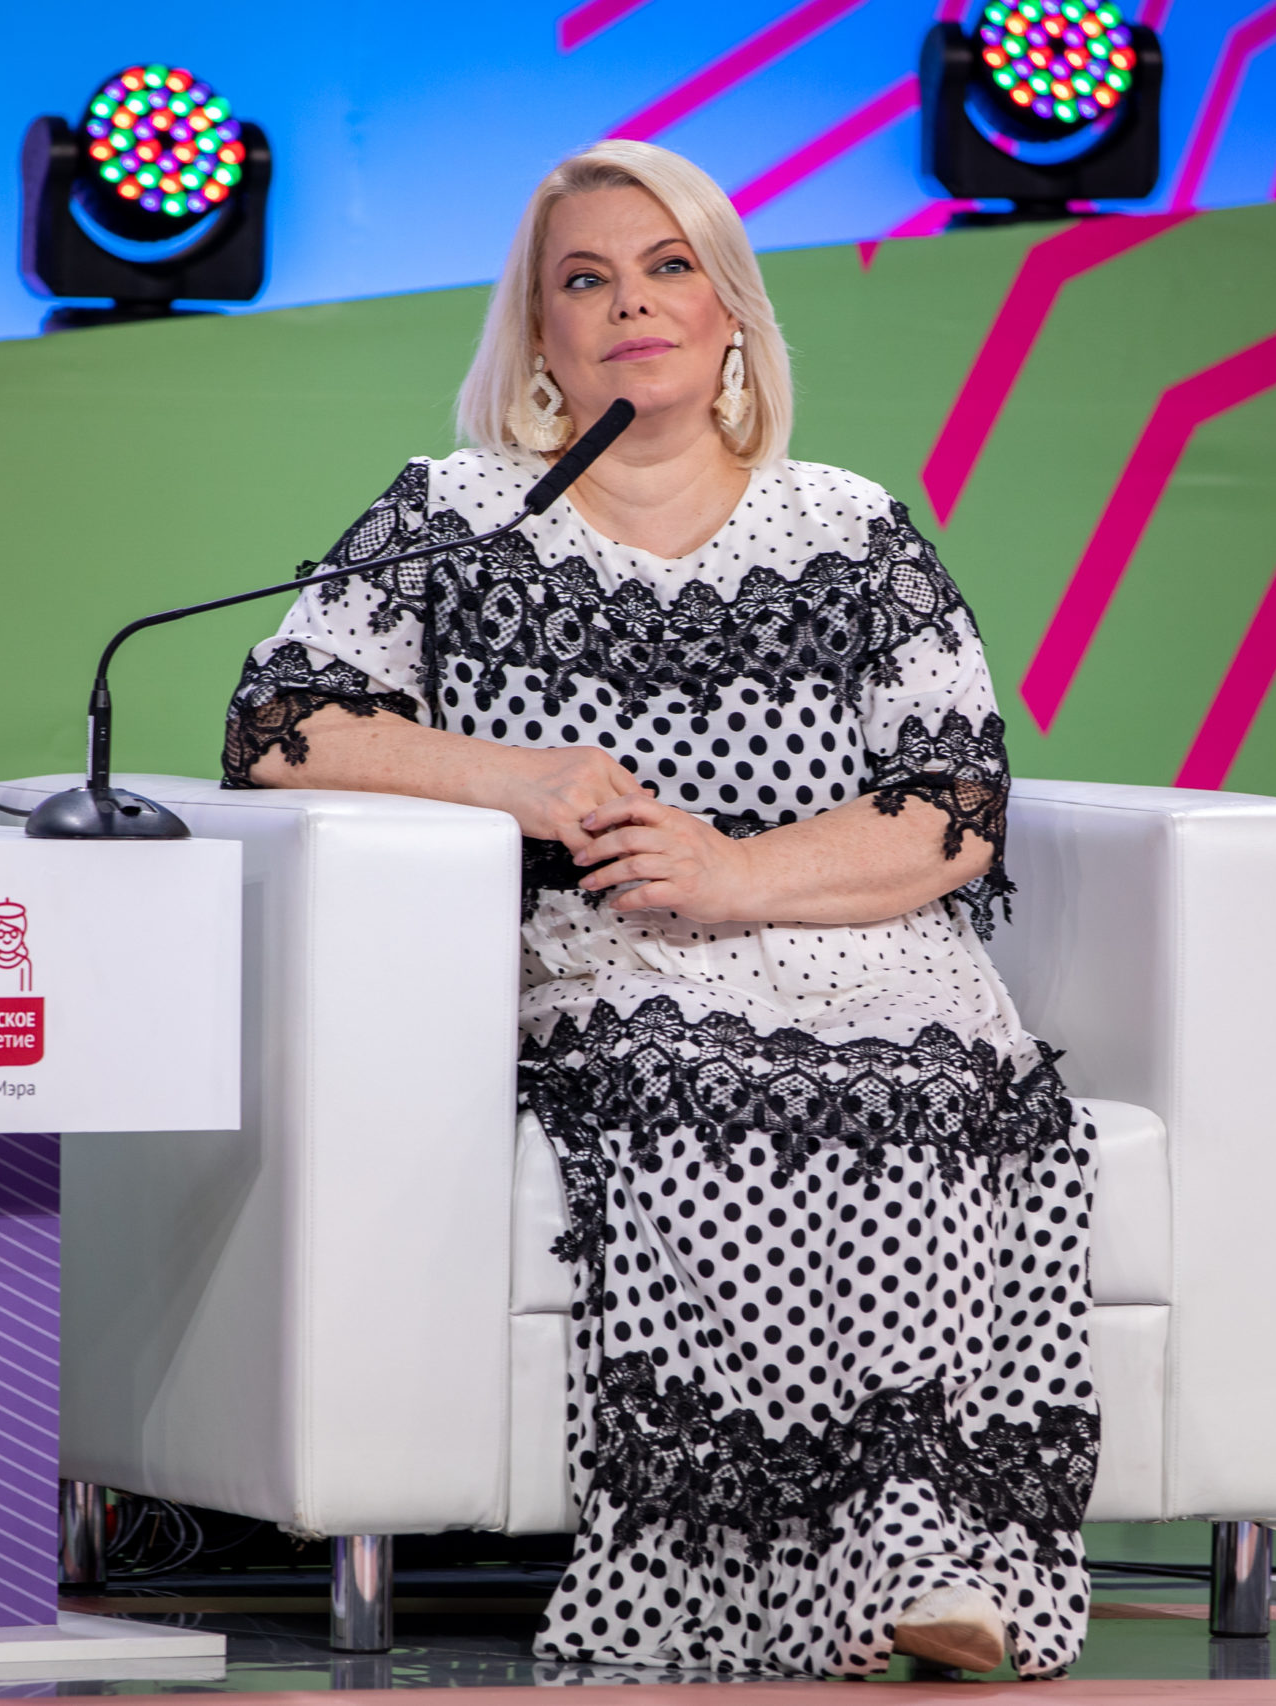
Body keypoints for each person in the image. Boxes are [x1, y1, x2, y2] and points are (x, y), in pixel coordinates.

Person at [221, 140, 1094, 1679]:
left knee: (921, 1080)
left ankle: (914, 1546)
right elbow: (280, 725)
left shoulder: (850, 529)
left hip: (862, 950)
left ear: (731, 310)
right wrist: (519, 778)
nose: (631, 303)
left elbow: (955, 803)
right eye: (586, 279)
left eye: (668, 266)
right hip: (606, 955)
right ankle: (794, 1570)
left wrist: (739, 873)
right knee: (715, 1083)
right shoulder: (459, 516)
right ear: (540, 336)